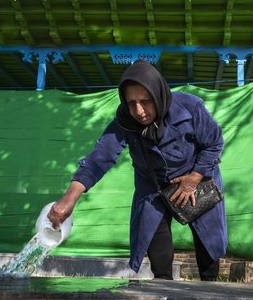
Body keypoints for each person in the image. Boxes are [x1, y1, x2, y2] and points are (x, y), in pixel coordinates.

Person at [47, 59, 227, 281]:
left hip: (195, 178)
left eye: (146, 101)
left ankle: (211, 293)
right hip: (152, 186)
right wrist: (69, 199)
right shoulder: (124, 122)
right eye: (131, 103)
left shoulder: (189, 108)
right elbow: (100, 158)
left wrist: (194, 177)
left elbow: (214, 143)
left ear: (158, 94)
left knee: (208, 244)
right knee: (157, 247)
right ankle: (165, 296)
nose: (139, 111)